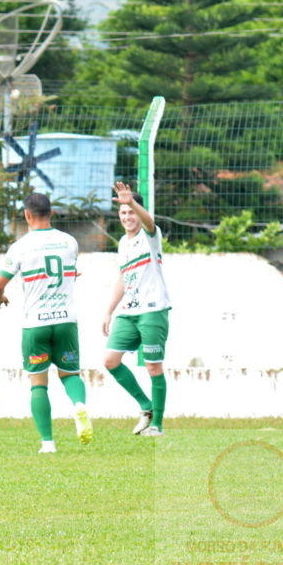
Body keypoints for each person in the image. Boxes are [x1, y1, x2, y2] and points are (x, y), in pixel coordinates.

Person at [0, 193, 92, 453]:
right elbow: (67, 273)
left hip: (36, 323)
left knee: (38, 382)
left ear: (27, 215)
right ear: (51, 212)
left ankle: (48, 442)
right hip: (66, 320)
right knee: (70, 374)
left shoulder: (21, 246)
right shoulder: (69, 242)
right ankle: (79, 406)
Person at [102, 182, 171, 437]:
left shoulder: (150, 235)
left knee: (154, 368)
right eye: (123, 213)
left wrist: (131, 202)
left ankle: (157, 426)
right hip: (128, 312)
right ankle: (146, 407)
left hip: (153, 310)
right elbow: (123, 277)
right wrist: (108, 310)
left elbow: (149, 221)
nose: (127, 217)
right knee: (110, 361)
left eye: (130, 212)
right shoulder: (123, 242)